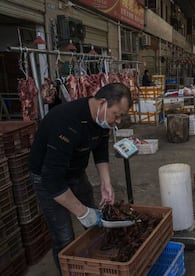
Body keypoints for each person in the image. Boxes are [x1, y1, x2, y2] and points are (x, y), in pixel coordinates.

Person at [29, 83, 132, 273]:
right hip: (47, 177)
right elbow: (53, 181)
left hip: (75, 172)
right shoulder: (67, 120)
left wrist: (106, 181)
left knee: (95, 225)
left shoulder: (102, 121)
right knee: (65, 236)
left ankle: (96, 265)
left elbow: (100, 148)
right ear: (102, 103)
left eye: (121, 117)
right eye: (116, 115)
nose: (117, 122)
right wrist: (82, 212)